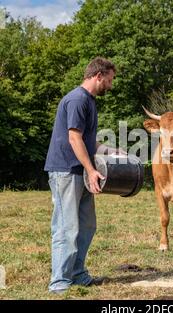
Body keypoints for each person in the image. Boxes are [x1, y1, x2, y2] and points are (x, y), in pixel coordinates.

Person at [44, 57, 122, 294]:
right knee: (67, 227)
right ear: (98, 76)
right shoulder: (78, 99)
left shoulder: (89, 101)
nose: (110, 84)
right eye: (109, 79)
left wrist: (112, 151)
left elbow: (88, 141)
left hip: (82, 173)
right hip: (67, 171)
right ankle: (59, 282)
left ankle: (77, 274)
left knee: (87, 225)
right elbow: (74, 138)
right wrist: (91, 170)